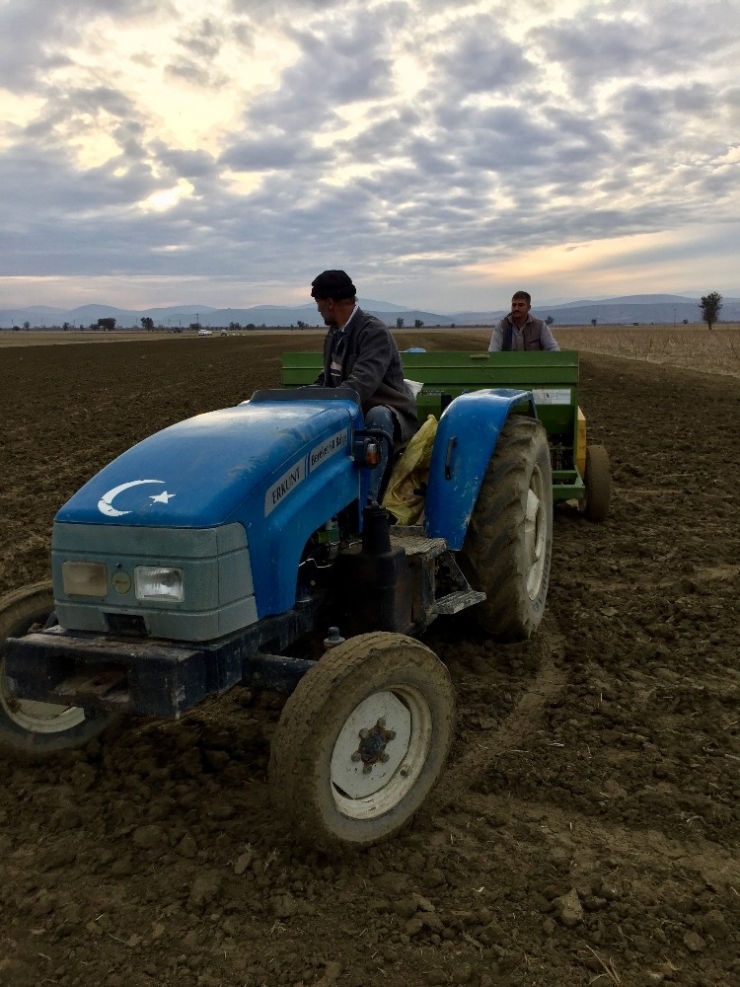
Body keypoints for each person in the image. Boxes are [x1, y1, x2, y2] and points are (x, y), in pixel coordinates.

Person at [309, 270, 418, 502]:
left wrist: (330, 404)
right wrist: (303, 397)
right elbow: (327, 378)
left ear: (330, 303)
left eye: (318, 303)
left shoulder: (372, 332)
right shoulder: (335, 334)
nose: (318, 310)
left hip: (390, 411)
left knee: (377, 416)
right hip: (351, 410)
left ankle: (368, 504)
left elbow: (361, 383)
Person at [488, 291, 559, 352]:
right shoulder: (502, 326)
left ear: (529, 307)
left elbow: (553, 349)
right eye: (514, 305)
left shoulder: (540, 326)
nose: (516, 308)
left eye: (520, 305)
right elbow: (493, 351)